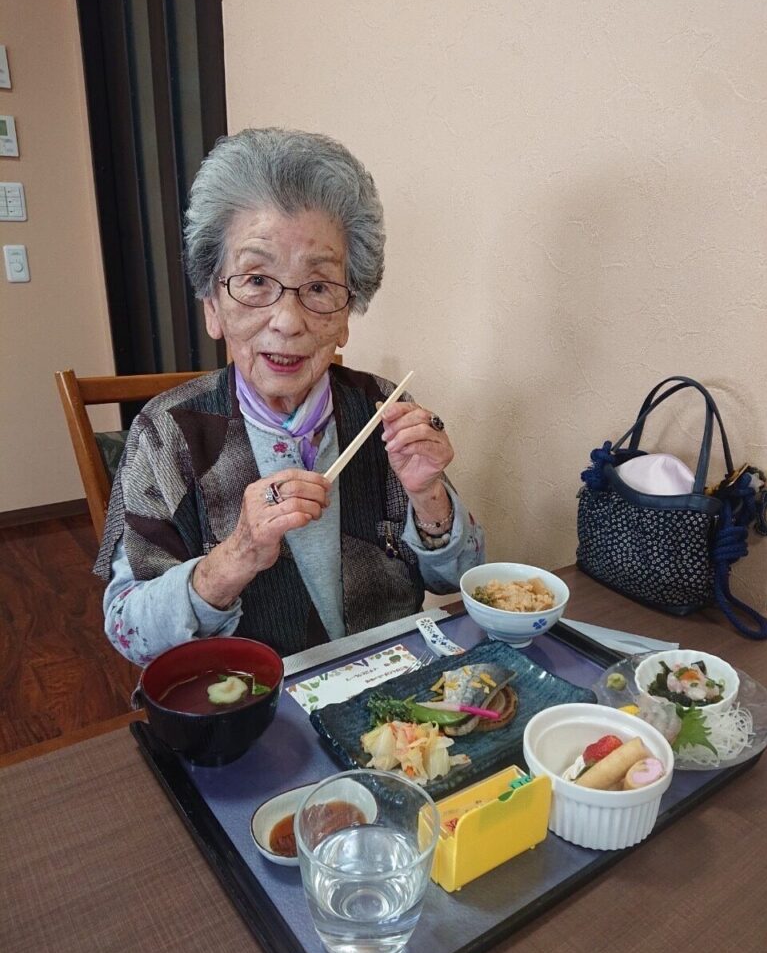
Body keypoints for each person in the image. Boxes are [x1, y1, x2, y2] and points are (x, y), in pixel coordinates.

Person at [95, 128, 484, 665]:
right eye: (256, 280)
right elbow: (127, 632)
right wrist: (236, 556)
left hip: (393, 694)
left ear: (346, 318)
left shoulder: (382, 408)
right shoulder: (166, 434)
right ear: (213, 307)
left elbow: (458, 577)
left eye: (319, 287)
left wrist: (428, 495)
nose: (287, 321)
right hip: (248, 702)